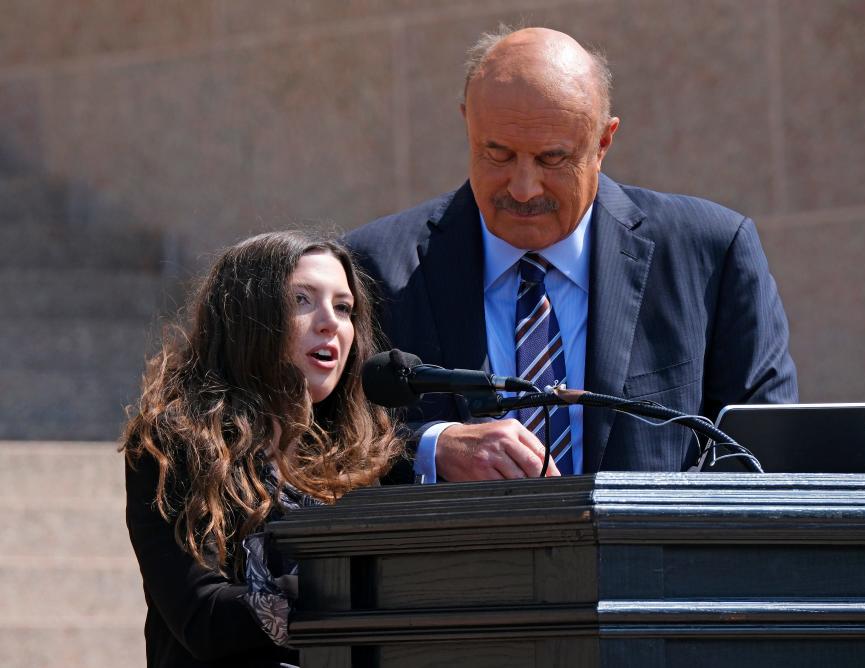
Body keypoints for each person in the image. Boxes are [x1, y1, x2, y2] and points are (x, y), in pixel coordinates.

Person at [346, 26, 797, 482]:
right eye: (497, 154)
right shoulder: (375, 266)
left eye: (552, 159)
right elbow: (320, 444)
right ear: (468, 124)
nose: (523, 189)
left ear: (603, 143)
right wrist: (432, 447)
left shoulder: (709, 252)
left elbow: (765, 451)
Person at [121, 232, 403, 667]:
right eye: (302, 301)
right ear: (248, 317)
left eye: (344, 307)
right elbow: (204, 618)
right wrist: (349, 589)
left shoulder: (361, 452)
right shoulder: (177, 443)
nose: (331, 322)